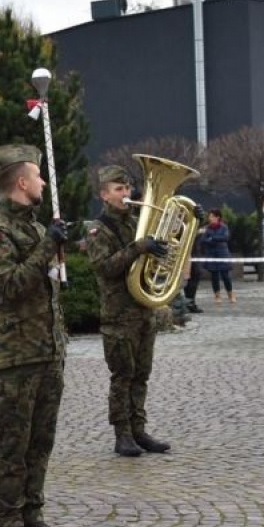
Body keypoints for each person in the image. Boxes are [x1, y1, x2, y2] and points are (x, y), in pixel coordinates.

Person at [0, 146, 73, 527]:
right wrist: (47, 246)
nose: (44, 183)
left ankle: (33, 515)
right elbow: (9, 286)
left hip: (47, 352)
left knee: (40, 442)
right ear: (20, 182)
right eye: (38, 176)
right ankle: (8, 521)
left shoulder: (33, 229)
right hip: (15, 357)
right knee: (13, 444)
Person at [85, 165, 172, 457]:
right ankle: (122, 434)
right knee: (122, 376)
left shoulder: (137, 222)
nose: (126, 194)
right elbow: (105, 267)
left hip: (142, 310)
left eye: (127, 188)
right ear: (104, 195)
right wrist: (138, 247)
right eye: (118, 190)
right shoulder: (98, 229)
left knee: (141, 375)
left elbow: (158, 252)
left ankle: (139, 430)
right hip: (118, 315)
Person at [201, 209, 234, 303]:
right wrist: (211, 240)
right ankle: (217, 296)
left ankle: (230, 295)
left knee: (225, 276)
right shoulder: (207, 228)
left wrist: (212, 238)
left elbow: (225, 237)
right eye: (209, 216)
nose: (209, 218)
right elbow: (203, 240)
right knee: (214, 276)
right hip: (211, 254)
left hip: (223, 254)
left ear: (217, 217)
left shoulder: (224, 227)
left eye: (211, 216)